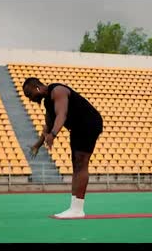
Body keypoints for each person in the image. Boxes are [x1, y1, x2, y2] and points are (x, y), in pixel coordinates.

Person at [23, 77, 103, 218]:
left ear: (36, 87)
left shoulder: (58, 90)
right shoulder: (48, 102)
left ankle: (77, 209)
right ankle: (75, 208)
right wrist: (37, 145)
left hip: (89, 122)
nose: (30, 99)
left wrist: (53, 134)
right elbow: (47, 126)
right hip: (78, 127)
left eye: (29, 94)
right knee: (77, 165)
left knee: (81, 164)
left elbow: (62, 114)